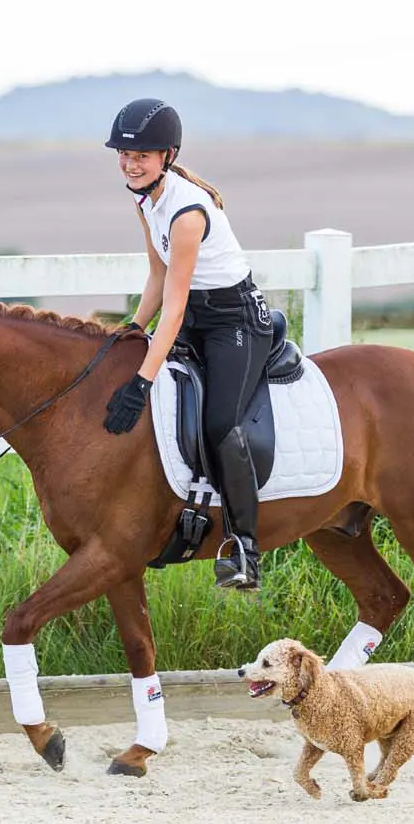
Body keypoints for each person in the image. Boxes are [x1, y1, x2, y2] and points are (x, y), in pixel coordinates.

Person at [99, 97, 273, 591]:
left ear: (167, 156)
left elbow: (173, 309)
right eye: (125, 155)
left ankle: (245, 548)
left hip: (234, 321)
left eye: (142, 156)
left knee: (220, 422)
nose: (130, 164)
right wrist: (132, 331)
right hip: (193, 314)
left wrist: (141, 379)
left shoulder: (187, 213)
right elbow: (157, 274)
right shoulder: (143, 198)